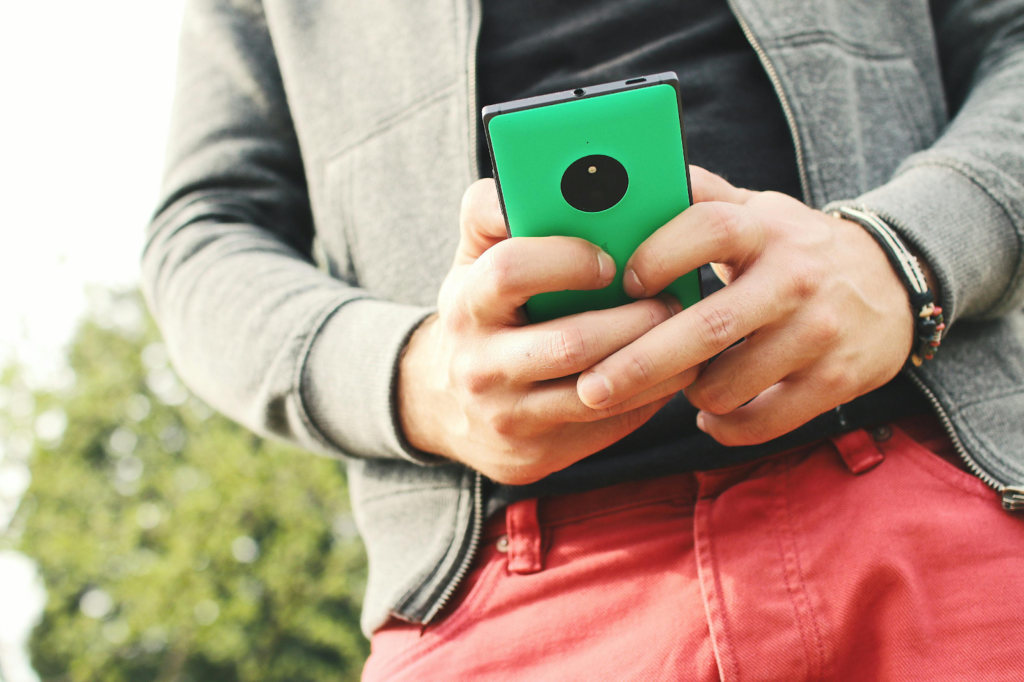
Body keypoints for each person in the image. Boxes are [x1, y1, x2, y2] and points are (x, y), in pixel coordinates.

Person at [144, 0, 1024, 679]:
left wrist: (903, 256)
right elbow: (202, 236)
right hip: (499, 586)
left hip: (939, 486)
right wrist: (420, 380)